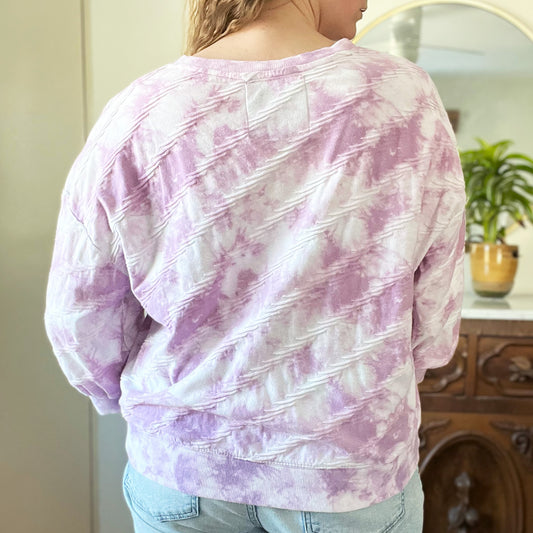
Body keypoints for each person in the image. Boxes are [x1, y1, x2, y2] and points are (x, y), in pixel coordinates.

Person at [45, 0, 466, 531]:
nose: (366, 1)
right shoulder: (402, 99)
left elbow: (81, 316)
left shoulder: (143, 110)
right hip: (343, 472)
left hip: (184, 465)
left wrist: (127, 398)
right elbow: (436, 306)